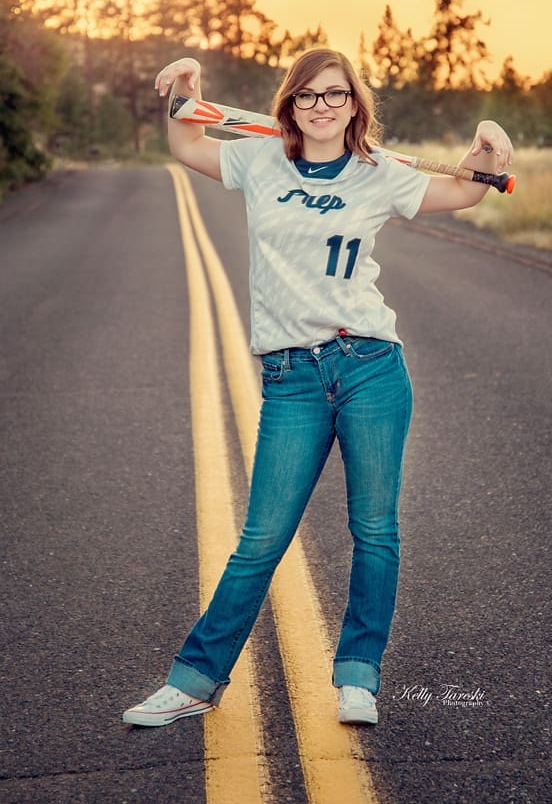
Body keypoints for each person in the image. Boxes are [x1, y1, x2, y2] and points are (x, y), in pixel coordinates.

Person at [123, 48, 513, 728]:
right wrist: (187, 88)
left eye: (335, 95)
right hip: (290, 378)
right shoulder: (258, 159)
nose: (322, 106)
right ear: (290, 105)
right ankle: (193, 681)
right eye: (308, 97)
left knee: (374, 529)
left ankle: (358, 678)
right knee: (262, 538)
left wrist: (487, 144)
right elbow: (187, 141)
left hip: (368, 366)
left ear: (354, 104)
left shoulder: (379, 173)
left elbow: (467, 186)